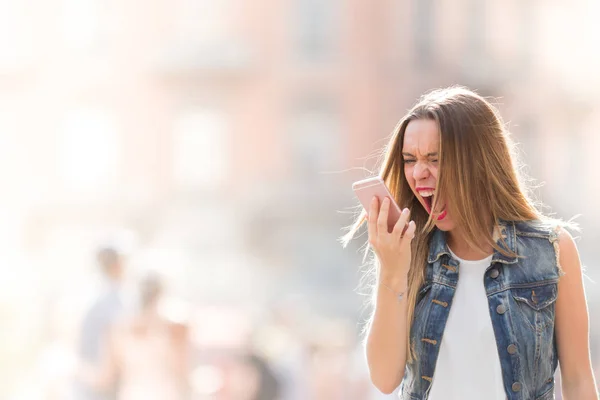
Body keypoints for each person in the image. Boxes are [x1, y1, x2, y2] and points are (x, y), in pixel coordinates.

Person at [341, 87, 599, 399]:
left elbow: (578, 381)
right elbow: (384, 378)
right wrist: (392, 272)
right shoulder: (406, 252)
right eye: (410, 159)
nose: (419, 172)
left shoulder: (551, 249)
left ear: (479, 162)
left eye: (435, 159)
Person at [79, 271, 190, 400]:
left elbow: (105, 378)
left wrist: (79, 371)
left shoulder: (117, 329)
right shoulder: (175, 328)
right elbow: (182, 373)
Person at [74, 246, 127, 400]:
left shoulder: (89, 297)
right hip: (103, 382)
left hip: (93, 379)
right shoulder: (112, 302)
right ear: (117, 265)